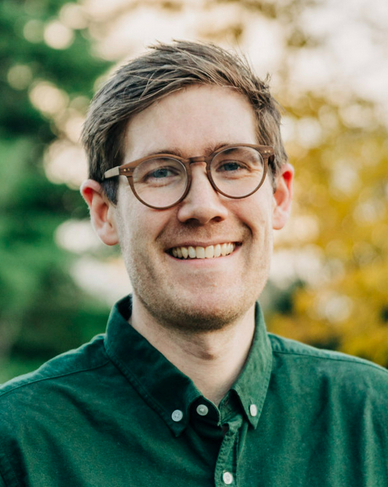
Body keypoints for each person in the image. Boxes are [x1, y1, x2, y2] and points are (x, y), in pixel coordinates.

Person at [1, 40, 388, 487]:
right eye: (161, 171)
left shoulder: (373, 418)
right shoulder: (17, 444)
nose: (203, 207)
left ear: (279, 197)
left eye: (232, 165)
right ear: (104, 213)